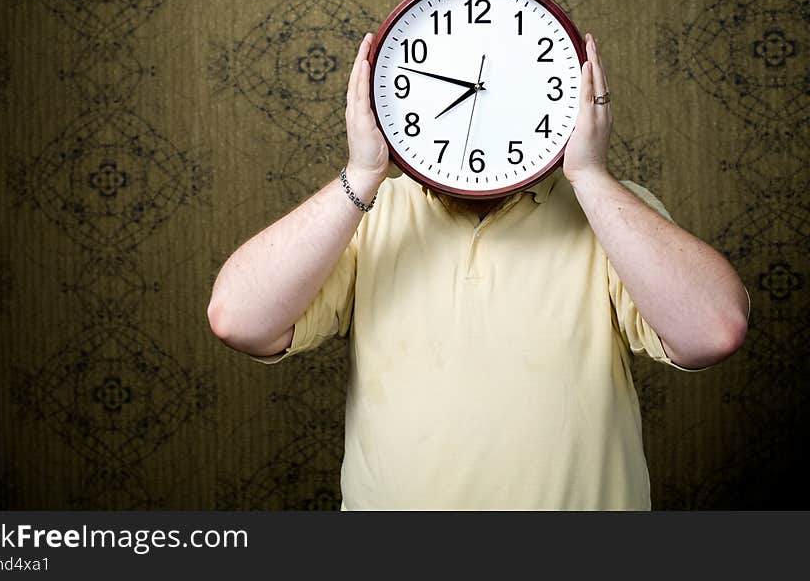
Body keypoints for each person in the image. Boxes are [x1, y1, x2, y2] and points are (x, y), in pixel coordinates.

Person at [207, 31, 750, 510]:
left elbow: (713, 330)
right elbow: (239, 319)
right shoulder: (367, 217)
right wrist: (362, 172)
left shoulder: (612, 212)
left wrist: (590, 175)